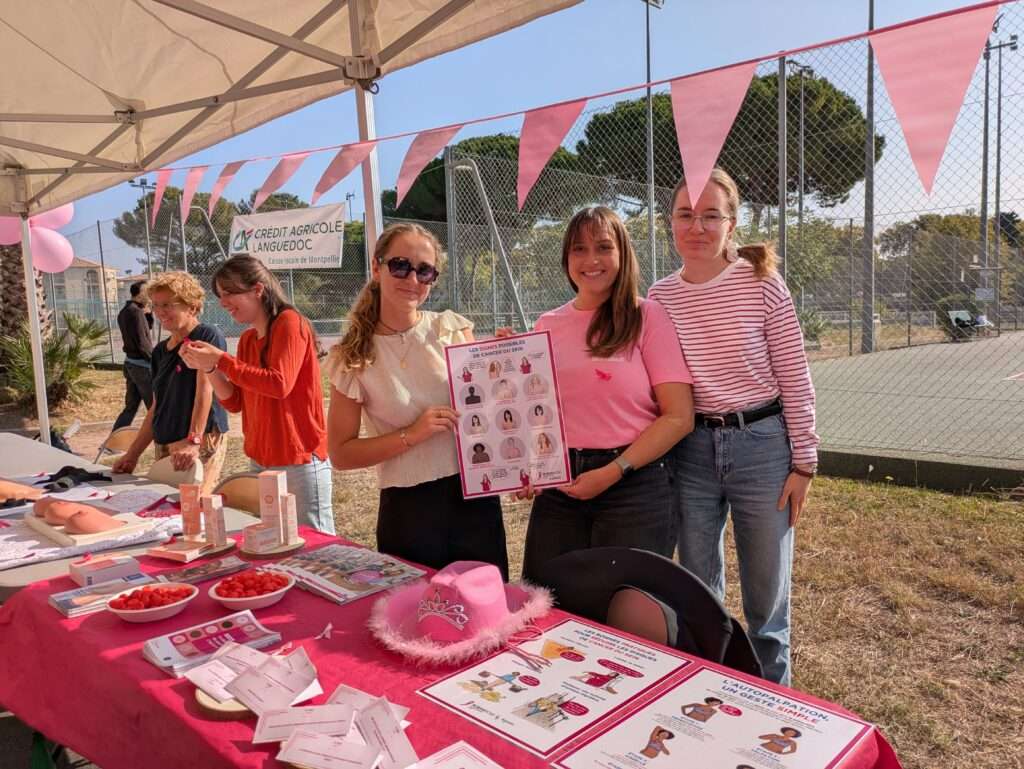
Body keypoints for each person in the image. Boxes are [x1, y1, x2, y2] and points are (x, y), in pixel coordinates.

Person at [648, 167, 819, 686]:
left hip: (761, 448)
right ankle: (712, 690)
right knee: (698, 590)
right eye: (685, 214)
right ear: (669, 222)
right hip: (691, 451)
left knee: (767, 602)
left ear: (732, 223)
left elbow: (795, 374)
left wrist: (804, 463)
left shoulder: (762, 284)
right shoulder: (659, 296)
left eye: (710, 215)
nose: (696, 226)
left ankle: (773, 699)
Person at [518, 207, 694, 582]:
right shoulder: (547, 324)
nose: (591, 260)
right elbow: (533, 412)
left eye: (603, 247)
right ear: (566, 258)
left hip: (634, 484)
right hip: (561, 485)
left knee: (625, 604)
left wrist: (614, 471)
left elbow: (679, 416)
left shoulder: (648, 316)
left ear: (622, 254)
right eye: (579, 249)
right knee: (547, 599)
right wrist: (527, 467)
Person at [326, 223, 508, 578]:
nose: (412, 279)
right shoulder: (351, 357)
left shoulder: (451, 329)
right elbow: (342, 454)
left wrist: (505, 366)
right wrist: (412, 434)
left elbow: (486, 411)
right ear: (376, 267)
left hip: (475, 499)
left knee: (486, 605)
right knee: (415, 610)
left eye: (424, 271)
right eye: (400, 266)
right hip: (408, 510)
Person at [179, 255, 334, 533]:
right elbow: (235, 402)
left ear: (258, 290)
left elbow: (279, 384)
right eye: (220, 295)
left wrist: (222, 359)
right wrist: (210, 366)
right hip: (261, 459)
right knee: (275, 540)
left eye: (229, 293)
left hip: (297, 458)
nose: (223, 302)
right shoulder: (248, 340)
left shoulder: (290, 322)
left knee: (314, 543)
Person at [113, 272, 228, 494]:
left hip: (198, 441)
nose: (160, 312)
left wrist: (193, 441)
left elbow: (204, 391)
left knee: (194, 507)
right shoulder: (159, 351)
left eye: (167, 305)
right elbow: (157, 407)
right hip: (166, 443)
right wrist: (132, 455)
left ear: (192, 307)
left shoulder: (206, 336)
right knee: (166, 507)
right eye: (155, 305)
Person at [113, 280, 154, 430]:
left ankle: (114, 439)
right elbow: (142, 343)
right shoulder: (136, 312)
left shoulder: (125, 311)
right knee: (154, 407)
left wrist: (148, 314)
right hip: (142, 367)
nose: (149, 295)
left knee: (130, 407)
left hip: (131, 364)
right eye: (147, 292)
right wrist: (154, 361)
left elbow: (146, 329)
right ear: (140, 294)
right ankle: (163, 439)